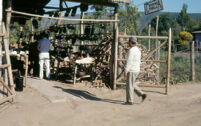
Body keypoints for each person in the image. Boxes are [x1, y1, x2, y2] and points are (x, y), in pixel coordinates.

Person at [124, 37, 147, 105]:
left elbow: (129, 62)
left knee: (129, 86)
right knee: (132, 84)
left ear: (131, 42)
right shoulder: (138, 50)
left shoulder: (131, 50)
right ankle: (142, 94)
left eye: (129, 42)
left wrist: (126, 70)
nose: (128, 43)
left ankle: (130, 100)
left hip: (132, 70)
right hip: (136, 69)